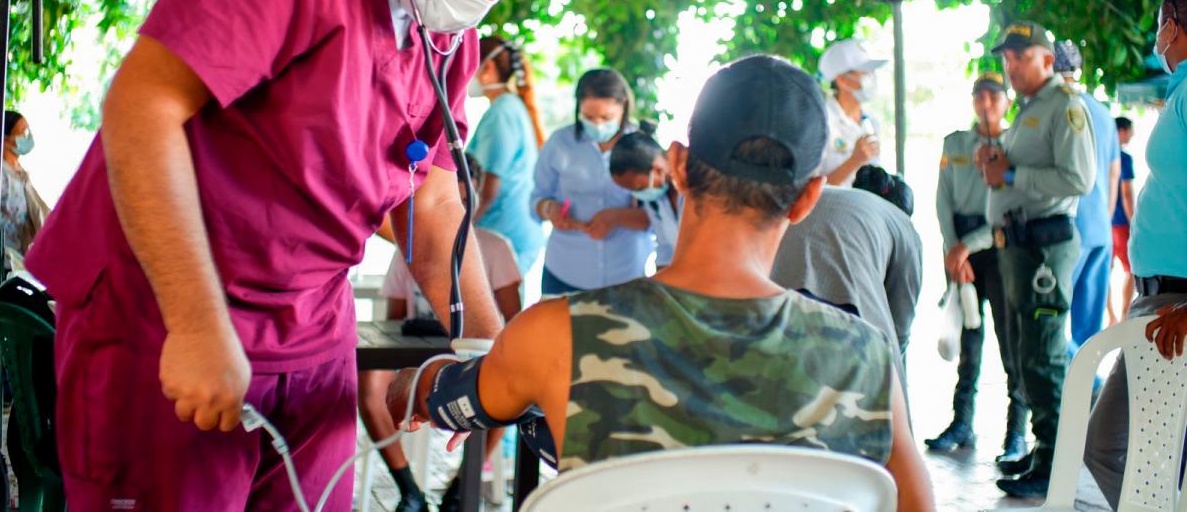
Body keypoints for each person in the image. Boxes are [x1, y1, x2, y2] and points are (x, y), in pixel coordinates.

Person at [21, 0, 560, 508]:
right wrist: (194, 323)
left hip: (310, 316)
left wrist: (487, 347)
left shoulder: (442, 28)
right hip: (170, 300)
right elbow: (142, 104)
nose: (482, 5)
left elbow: (435, 197)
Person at [389, 56, 936, 511]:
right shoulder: (866, 357)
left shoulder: (560, 333)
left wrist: (417, 382)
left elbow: (446, 399)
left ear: (676, 163)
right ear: (807, 198)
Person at [359, 158, 522, 512]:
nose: (456, 214)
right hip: (416, 352)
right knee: (370, 383)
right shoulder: (411, 247)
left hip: (471, 353)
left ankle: (462, 488)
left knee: (506, 388)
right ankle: (409, 488)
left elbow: (513, 321)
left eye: (462, 203)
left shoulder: (496, 249)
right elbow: (393, 321)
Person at [978, 21, 1096, 498]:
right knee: (1028, 354)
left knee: (1044, 355)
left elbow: (1078, 180)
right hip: (1021, 248)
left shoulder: (1065, 106)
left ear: (1048, 60)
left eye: (1020, 57)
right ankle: (1045, 450)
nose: (1010, 67)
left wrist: (1011, 174)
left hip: (1045, 248)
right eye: (1007, 58)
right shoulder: (1030, 110)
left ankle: (1057, 461)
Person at [1084, 0, 1187, 510]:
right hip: (1159, 300)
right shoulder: (1180, 92)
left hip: (1177, 305)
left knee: (1108, 445)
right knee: (1146, 453)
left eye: (1158, 25)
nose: (1156, 37)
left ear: (1171, 26)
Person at [927, 73, 1028, 462]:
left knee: (1010, 342)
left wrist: (965, 248)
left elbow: (1010, 207)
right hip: (959, 250)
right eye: (978, 96)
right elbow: (942, 199)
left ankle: (1016, 433)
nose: (985, 103)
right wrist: (954, 250)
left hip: (998, 247)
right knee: (968, 342)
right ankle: (961, 423)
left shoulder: (1016, 145)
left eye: (993, 96)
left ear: (1005, 102)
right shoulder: (955, 143)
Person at [770, 185, 922, 377]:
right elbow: (901, 327)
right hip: (846, 309)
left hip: (773, 295)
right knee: (885, 380)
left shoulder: (829, 192)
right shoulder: (904, 225)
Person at [531, 69, 654, 295]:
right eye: (588, 117)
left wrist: (616, 217)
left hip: (625, 273)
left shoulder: (644, 147)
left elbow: (657, 215)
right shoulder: (560, 143)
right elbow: (536, 198)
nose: (597, 125)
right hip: (565, 269)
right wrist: (549, 209)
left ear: (623, 106)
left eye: (606, 118)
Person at [1054, 41, 1121, 351]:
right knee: (1088, 328)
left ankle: (1064, 390)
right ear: (1077, 70)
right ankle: (1089, 388)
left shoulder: (1056, 109)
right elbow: (1114, 173)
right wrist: (1104, 223)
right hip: (1099, 230)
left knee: (1053, 318)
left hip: (1067, 230)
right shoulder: (1103, 113)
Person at [467, 36, 546, 274]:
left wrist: (461, 229)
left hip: (503, 234)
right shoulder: (511, 108)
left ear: (487, 68)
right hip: (512, 231)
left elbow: (489, 186)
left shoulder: (502, 113)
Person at [817, 39, 887, 187]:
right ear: (842, 80)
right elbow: (811, 189)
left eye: (872, 72)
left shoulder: (871, 122)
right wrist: (855, 160)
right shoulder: (820, 121)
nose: (872, 78)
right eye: (865, 73)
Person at [609, 125, 679, 270]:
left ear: (658, 169)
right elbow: (665, 247)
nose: (637, 194)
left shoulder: (698, 187)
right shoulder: (655, 201)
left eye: (639, 188)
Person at [0, 110, 49, 266]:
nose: (28, 137)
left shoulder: (20, 174)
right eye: (23, 132)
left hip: (17, 259)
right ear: (6, 139)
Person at [1108, 115, 1137, 324]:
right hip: (1120, 224)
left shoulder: (1101, 155)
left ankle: (1111, 316)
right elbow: (1126, 194)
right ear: (1121, 131)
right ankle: (1125, 313)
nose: (1132, 134)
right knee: (1132, 269)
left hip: (1103, 223)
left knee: (1104, 272)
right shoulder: (1124, 158)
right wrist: (1134, 222)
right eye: (1130, 130)